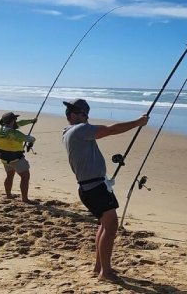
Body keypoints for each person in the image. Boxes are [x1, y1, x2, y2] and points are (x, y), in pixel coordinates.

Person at [61, 98, 149, 281]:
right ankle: (105, 272)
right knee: (110, 226)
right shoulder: (79, 130)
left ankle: (99, 267)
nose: (87, 119)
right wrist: (138, 122)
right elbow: (111, 130)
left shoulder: (68, 132)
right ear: (74, 115)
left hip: (90, 186)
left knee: (104, 225)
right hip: (94, 187)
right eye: (84, 114)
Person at [0, 111, 37, 203]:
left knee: (9, 175)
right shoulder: (15, 134)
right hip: (15, 159)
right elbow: (31, 139)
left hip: (4, 158)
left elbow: (19, 123)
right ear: (12, 121)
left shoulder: (1, 129)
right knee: (25, 177)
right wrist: (32, 141)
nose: (16, 121)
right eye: (15, 119)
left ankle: (8, 195)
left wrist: (31, 121)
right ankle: (25, 199)